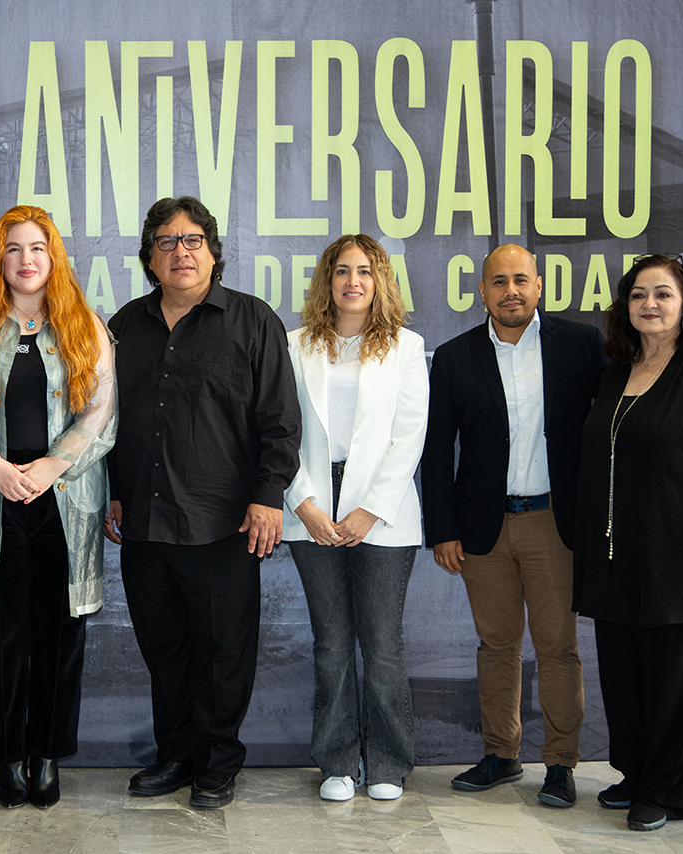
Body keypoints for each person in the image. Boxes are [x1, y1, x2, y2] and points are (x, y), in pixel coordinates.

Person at [104, 195, 301, 810]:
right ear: (150, 258)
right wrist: (113, 492)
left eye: (192, 240)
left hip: (223, 522)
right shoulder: (124, 326)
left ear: (213, 253)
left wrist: (269, 497)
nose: (180, 252)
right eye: (167, 241)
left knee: (223, 651)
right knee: (164, 650)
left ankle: (217, 763)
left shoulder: (252, 320)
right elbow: (103, 420)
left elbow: (279, 420)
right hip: (141, 518)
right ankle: (176, 756)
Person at [0, 206, 116, 809]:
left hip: (63, 498)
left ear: (54, 256)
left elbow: (101, 411)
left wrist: (52, 466)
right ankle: (8, 760)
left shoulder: (86, 326)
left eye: (38, 247)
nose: (26, 259)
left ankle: (47, 758)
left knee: (60, 640)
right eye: (13, 249)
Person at [572, 254, 683, 832]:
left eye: (663, 294)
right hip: (614, 557)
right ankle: (634, 772)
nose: (649, 304)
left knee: (677, 674)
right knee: (625, 672)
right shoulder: (613, 371)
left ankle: (666, 788)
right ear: (624, 307)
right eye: (637, 295)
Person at [421, 243, 605, 806]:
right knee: (496, 644)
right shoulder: (454, 357)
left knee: (556, 647)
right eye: (499, 282)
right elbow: (436, 451)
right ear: (482, 292)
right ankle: (501, 755)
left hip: (555, 521)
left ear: (540, 286)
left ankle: (560, 763)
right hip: (484, 528)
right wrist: (443, 529)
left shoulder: (581, 346)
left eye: (521, 280)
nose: (511, 292)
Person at [282, 235, 429, 802]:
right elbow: (279, 432)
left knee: (383, 644)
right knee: (332, 643)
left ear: (380, 280)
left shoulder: (406, 347)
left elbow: (408, 434)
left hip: (382, 513)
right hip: (313, 506)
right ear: (326, 280)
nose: (353, 281)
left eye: (365, 271)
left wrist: (369, 510)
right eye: (341, 271)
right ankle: (338, 761)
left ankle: (389, 762)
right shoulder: (295, 346)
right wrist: (306, 504)